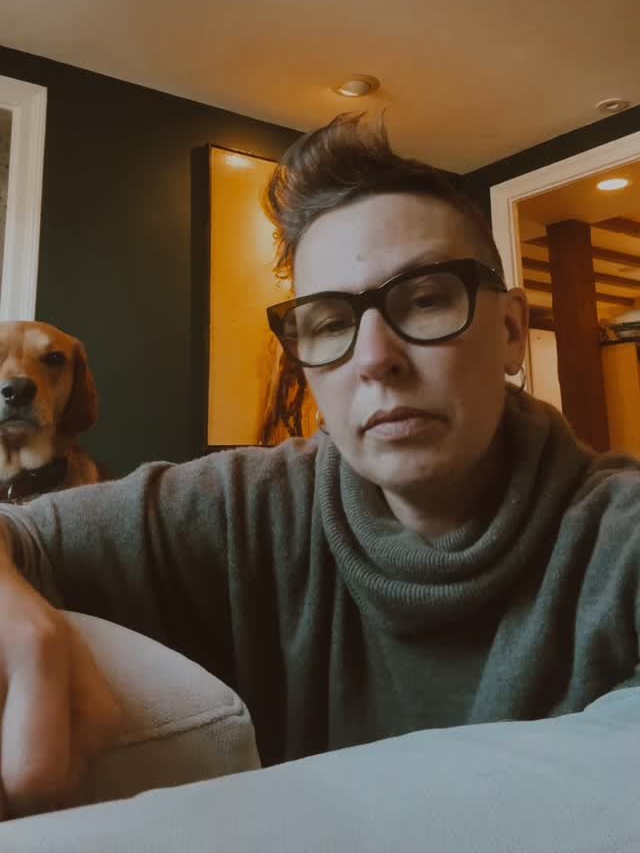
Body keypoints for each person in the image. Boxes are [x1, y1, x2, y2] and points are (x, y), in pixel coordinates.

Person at [1, 112, 639, 820]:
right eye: (331, 323)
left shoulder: (617, 537)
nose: (375, 358)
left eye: (427, 300)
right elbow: (19, 534)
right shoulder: (252, 506)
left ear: (512, 331)